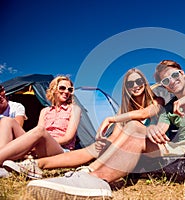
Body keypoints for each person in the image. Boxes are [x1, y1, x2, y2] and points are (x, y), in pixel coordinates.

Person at [25, 61, 185, 200]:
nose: (172, 81)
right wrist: (155, 131)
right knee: (132, 129)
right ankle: (94, 178)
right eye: (166, 81)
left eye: (175, 75)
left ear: (182, 74)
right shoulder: (167, 106)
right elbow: (160, 125)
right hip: (176, 147)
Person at [4, 68, 164, 178]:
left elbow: (145, 113)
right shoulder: (123, 111)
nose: (135, 86)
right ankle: (37, 165)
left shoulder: (157, 100)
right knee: (95, 147)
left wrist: (111, 119)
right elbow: (114, 137)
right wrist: (102, 143)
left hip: (153, 149)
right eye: (130, 83)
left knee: (133, 126)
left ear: (145, 82)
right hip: (129, 152)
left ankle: (90, 170)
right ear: (126, 88)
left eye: (139, 81)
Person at [0, 76, 81, 178]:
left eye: (70, 89)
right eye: (62, 88)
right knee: (7, 121)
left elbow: (68, 138)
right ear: (54, 89)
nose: (66, 92)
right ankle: (2, 161)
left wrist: (42, 140)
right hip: (40, 146)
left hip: (61, 150)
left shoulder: (75, 109)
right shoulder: (45, 111)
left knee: (40, 131)